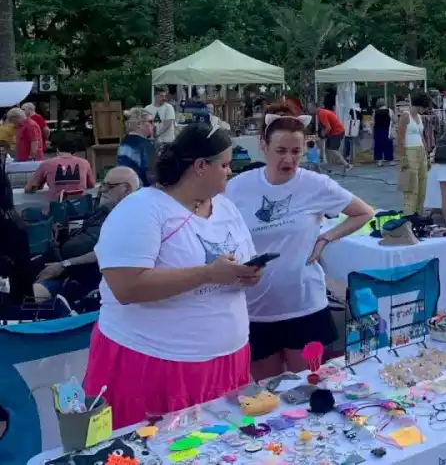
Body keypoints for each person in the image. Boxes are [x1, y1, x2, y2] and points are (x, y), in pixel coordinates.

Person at [83, 124, 262, 427]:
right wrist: (208, 274)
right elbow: (126, 287)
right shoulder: (141, 209)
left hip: (225, 361)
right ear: (200, 167)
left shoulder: (226, 207)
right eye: (225, 165)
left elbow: (234, 263)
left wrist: (244, 274)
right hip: (155, 365)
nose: (229, 172)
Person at [226, 107, 375, 379]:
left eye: (296, 152)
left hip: (306, 305)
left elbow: (365, 212)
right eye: (281, 150)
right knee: (266, 392)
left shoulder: (316, 185)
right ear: (263, 147)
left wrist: (326, 237)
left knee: (309, 386)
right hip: (256, 309)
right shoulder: (238, 187)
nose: (289, 159)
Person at [33, 167, 140, 303]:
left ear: (126, 189)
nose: (102, 190)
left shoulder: (131, 218)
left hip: (80, 278)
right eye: (102, 184)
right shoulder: (103, 210)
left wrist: (64, 265)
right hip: (62, 265)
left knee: (27, 294)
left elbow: (103, 252)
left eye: (109, 186)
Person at [24, 138, 96, 202]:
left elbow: (29, 189)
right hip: (80, 209)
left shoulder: (46, 164)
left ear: (57, 150)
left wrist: (41, 183)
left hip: (56, 211)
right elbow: (91, 184)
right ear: (75, 152)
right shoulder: (85, 163)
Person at [397, 92, 431, 217]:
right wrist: (403, 157)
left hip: (420, 150)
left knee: (423, 184)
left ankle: (419, 212)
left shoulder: (419, 118)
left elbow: (422, 136)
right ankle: (409, 214)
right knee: (412, 186)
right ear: (420, 105)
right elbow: (400, 137)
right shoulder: (405, 116)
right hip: (409, 150)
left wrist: (427, 154)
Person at [117, 107, 156, 187]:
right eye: (151, 122)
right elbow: (152, 174)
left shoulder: (124, 141)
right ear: (139, 124)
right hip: (141, 190)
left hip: (124, 188)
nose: (154, 125)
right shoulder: (145, 145)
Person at [316, 104, 351, 173]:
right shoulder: (323, 112)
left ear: (316, 108)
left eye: (311, 107)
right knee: (328, 150)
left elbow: (328, 128)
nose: (309, 109)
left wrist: (322, 135)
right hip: (333, 132)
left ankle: (347, 165)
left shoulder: (321, 114)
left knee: (332, 150)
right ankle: (329, 168)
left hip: (337, 132)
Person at [372, 99, 393, 166]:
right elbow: (394, 119)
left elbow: (373, 122)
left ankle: (379, 161)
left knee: (378, 146)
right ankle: (390, 160)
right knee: (388, 145)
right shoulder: (389, 110)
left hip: (377, 130)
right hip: (387, 130)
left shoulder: (375, 112)